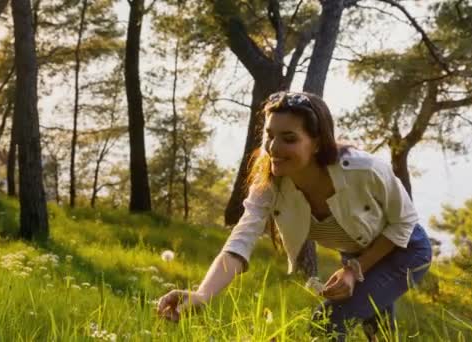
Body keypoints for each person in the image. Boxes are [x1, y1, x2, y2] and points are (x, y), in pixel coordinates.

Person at [156, 91, 432, 340]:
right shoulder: (270, 184)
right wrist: (203, 294)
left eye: (289, 138)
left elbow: (404, 221)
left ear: (317, 143)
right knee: (379, 334)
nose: (273, 148)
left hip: (405, 249)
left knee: (325, 323)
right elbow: (241, 241)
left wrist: (353, 270)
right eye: (269, 135)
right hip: (356, 253)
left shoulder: (366, 170)